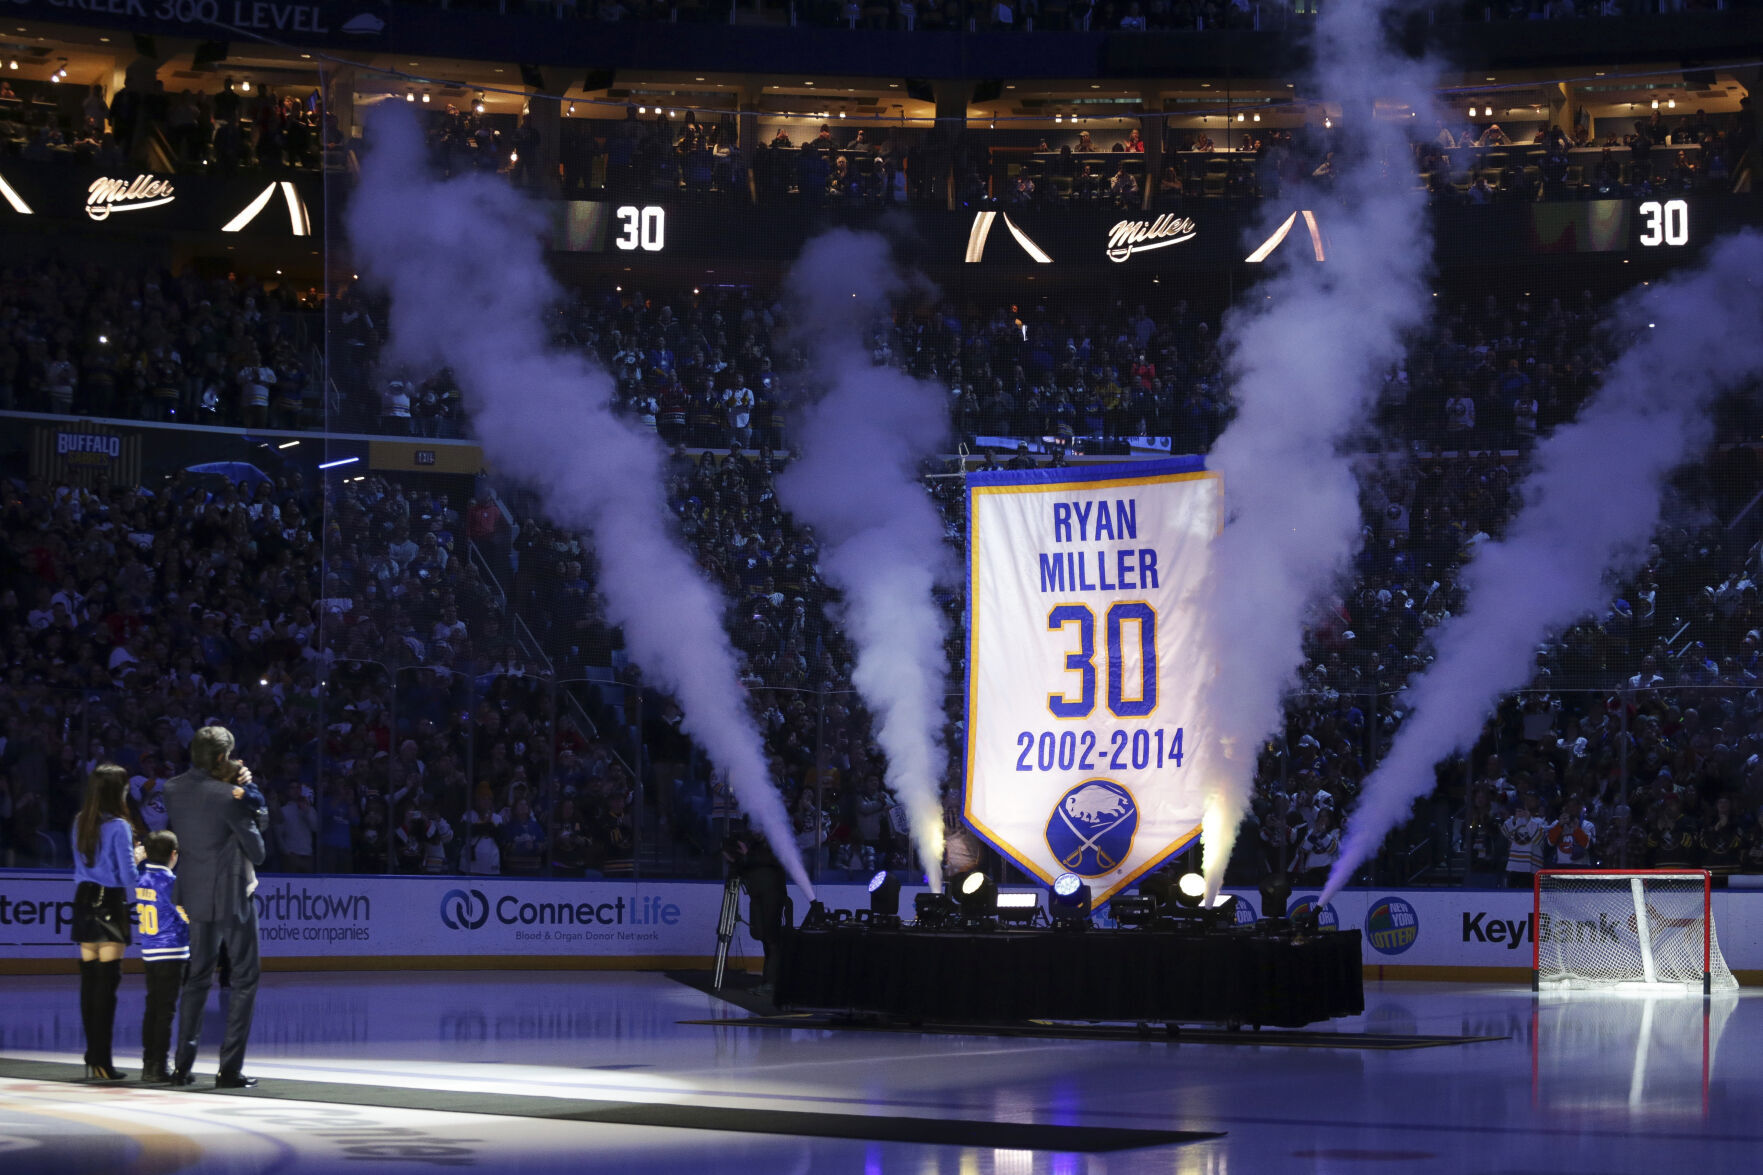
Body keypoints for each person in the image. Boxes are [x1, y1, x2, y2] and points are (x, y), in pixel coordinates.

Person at [163, 726, 266, 1089]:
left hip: (193, 891)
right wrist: (252, 797)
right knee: (244, 979)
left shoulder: (171, 788)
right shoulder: (228, 796)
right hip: (232, 895)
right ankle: (229, 1069)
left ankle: (181, 1066)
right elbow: (258, 850)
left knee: (197, 978)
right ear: (222, 757)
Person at [71, 763, 137, 1081]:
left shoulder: (80, 822)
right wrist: (137, 858)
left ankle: (93, 1055)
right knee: (106, 986)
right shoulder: (119, 827)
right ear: (117, 790)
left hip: (83, 899)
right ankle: (102, 1060)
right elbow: (127, 876)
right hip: (109, 900)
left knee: (90, 982)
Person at [135, 830, 190, 1084]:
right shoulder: (171, 883)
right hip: (172, 951)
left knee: (152, 1007)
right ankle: (159, 1066)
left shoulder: (142, 878)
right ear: (173, 855)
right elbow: (186, 917)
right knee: (165, 1011)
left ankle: (149, 1062)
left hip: (150, 951)